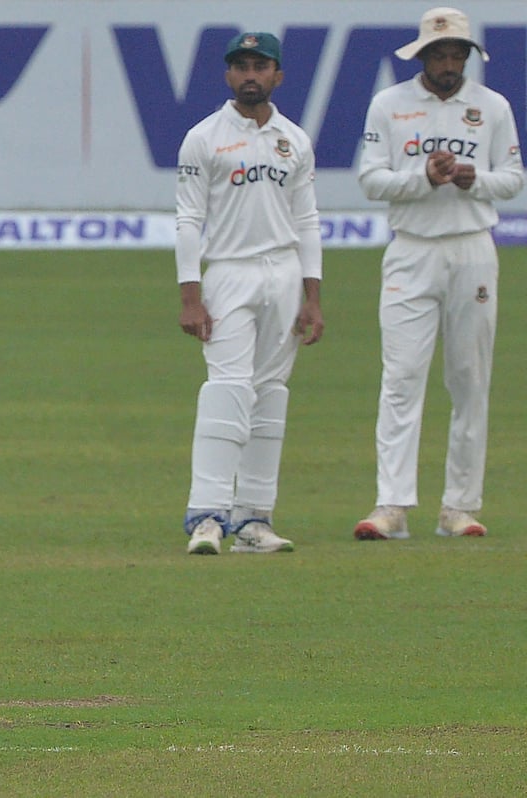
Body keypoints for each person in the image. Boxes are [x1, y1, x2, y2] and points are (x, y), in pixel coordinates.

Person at [353, 7, 524, 541]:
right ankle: (392, 508)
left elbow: (513, 177)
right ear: (422, 55)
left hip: (472, 248)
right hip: (412, 249)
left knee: (469, 379)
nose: (448, 64)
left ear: (468, 56)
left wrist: (477, 180)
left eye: (457, 54)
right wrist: (422, 177)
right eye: (439, 54)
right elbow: (370, 179)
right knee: (402, 377)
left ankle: (459, 508)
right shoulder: (390, 104)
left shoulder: (491, 106)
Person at [174, 32, 324, 555]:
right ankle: (207, 517)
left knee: (269, 395)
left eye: (260, 66)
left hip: (283, 273)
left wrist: (313, 296)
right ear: (228, 76)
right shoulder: (204, 137)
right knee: (228, 389)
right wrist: (191, 296)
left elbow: (306, 220)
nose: (250, 75)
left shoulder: (294, 140)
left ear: (278, 75)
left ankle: (254, 521)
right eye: (241, 66)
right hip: (230, 272)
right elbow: (189, 220)